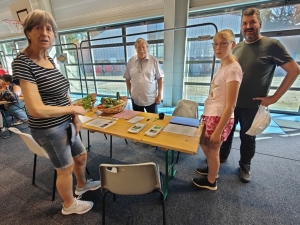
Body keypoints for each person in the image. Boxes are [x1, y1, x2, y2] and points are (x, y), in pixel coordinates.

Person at [11, 9, 100, 215]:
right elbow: (35, 109)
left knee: (81, 155)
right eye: (39, 28)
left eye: (49, 29)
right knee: (64, 168)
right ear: (28, 32)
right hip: (48, 128)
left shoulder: (49, 59)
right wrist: (73, 109)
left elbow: (63, 92)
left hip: (66, 122)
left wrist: (75, 116)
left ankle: (82, 185)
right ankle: (69, 205)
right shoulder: (23, 62)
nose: (45, 33)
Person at [219, 8, 300, 183]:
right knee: (226, 133)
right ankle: (221, 157)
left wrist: (274, 98)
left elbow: (294, 70)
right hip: (231, 104)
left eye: (252, 22)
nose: (248, 26)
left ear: (260, 24)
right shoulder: (238, 46)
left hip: (252, 105)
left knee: (248, 138)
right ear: (241, 26)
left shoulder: (272, 45)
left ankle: (244, 165)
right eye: (245, 23)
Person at [192, 29, 243, 191]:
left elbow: (231, 105)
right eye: (214, 44)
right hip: (211, 114)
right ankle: (212, 169)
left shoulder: (233, 69)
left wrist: (218, 130)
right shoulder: (223, 65)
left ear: (232, 45)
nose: (217, 48)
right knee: (204, 144)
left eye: (223, 44)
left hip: (219, 117)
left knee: (213, 148)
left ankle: (211, 181)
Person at [123, 38, 164, 113]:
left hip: (150, 99)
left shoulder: (153, 60)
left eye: (143, 47)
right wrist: (131, 93)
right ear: (136, 49)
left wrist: (159, 95)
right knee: (138, 121)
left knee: (153, 121)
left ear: (147, 48)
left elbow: (160, 78)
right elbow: (127, 78)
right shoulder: (131, 61)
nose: (141, 49)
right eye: (139, 47)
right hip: (136, 99)